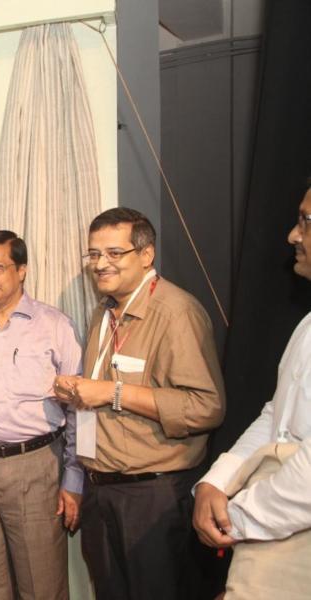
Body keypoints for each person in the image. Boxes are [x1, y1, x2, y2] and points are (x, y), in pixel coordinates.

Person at [53, 207, 225, 600]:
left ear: (146, 255)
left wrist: (112, 392)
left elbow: (206, 406)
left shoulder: (175, 313)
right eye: (94, 255)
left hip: (151, 496)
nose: (100, 264)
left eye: (115, 253)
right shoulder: (106, 309)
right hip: (102, 490)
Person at [0, 231, 83, 600]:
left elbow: (79, 409)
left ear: (21, 270)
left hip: (34, 468)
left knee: (42, 586)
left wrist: (74, 479)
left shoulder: (54, 326)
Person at [193, 186, 311, 588]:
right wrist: (218, 479)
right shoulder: (306, 325)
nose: (293, 236)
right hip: (269, 532)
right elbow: (277, 415)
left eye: (306, 222)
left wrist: (237, 518)